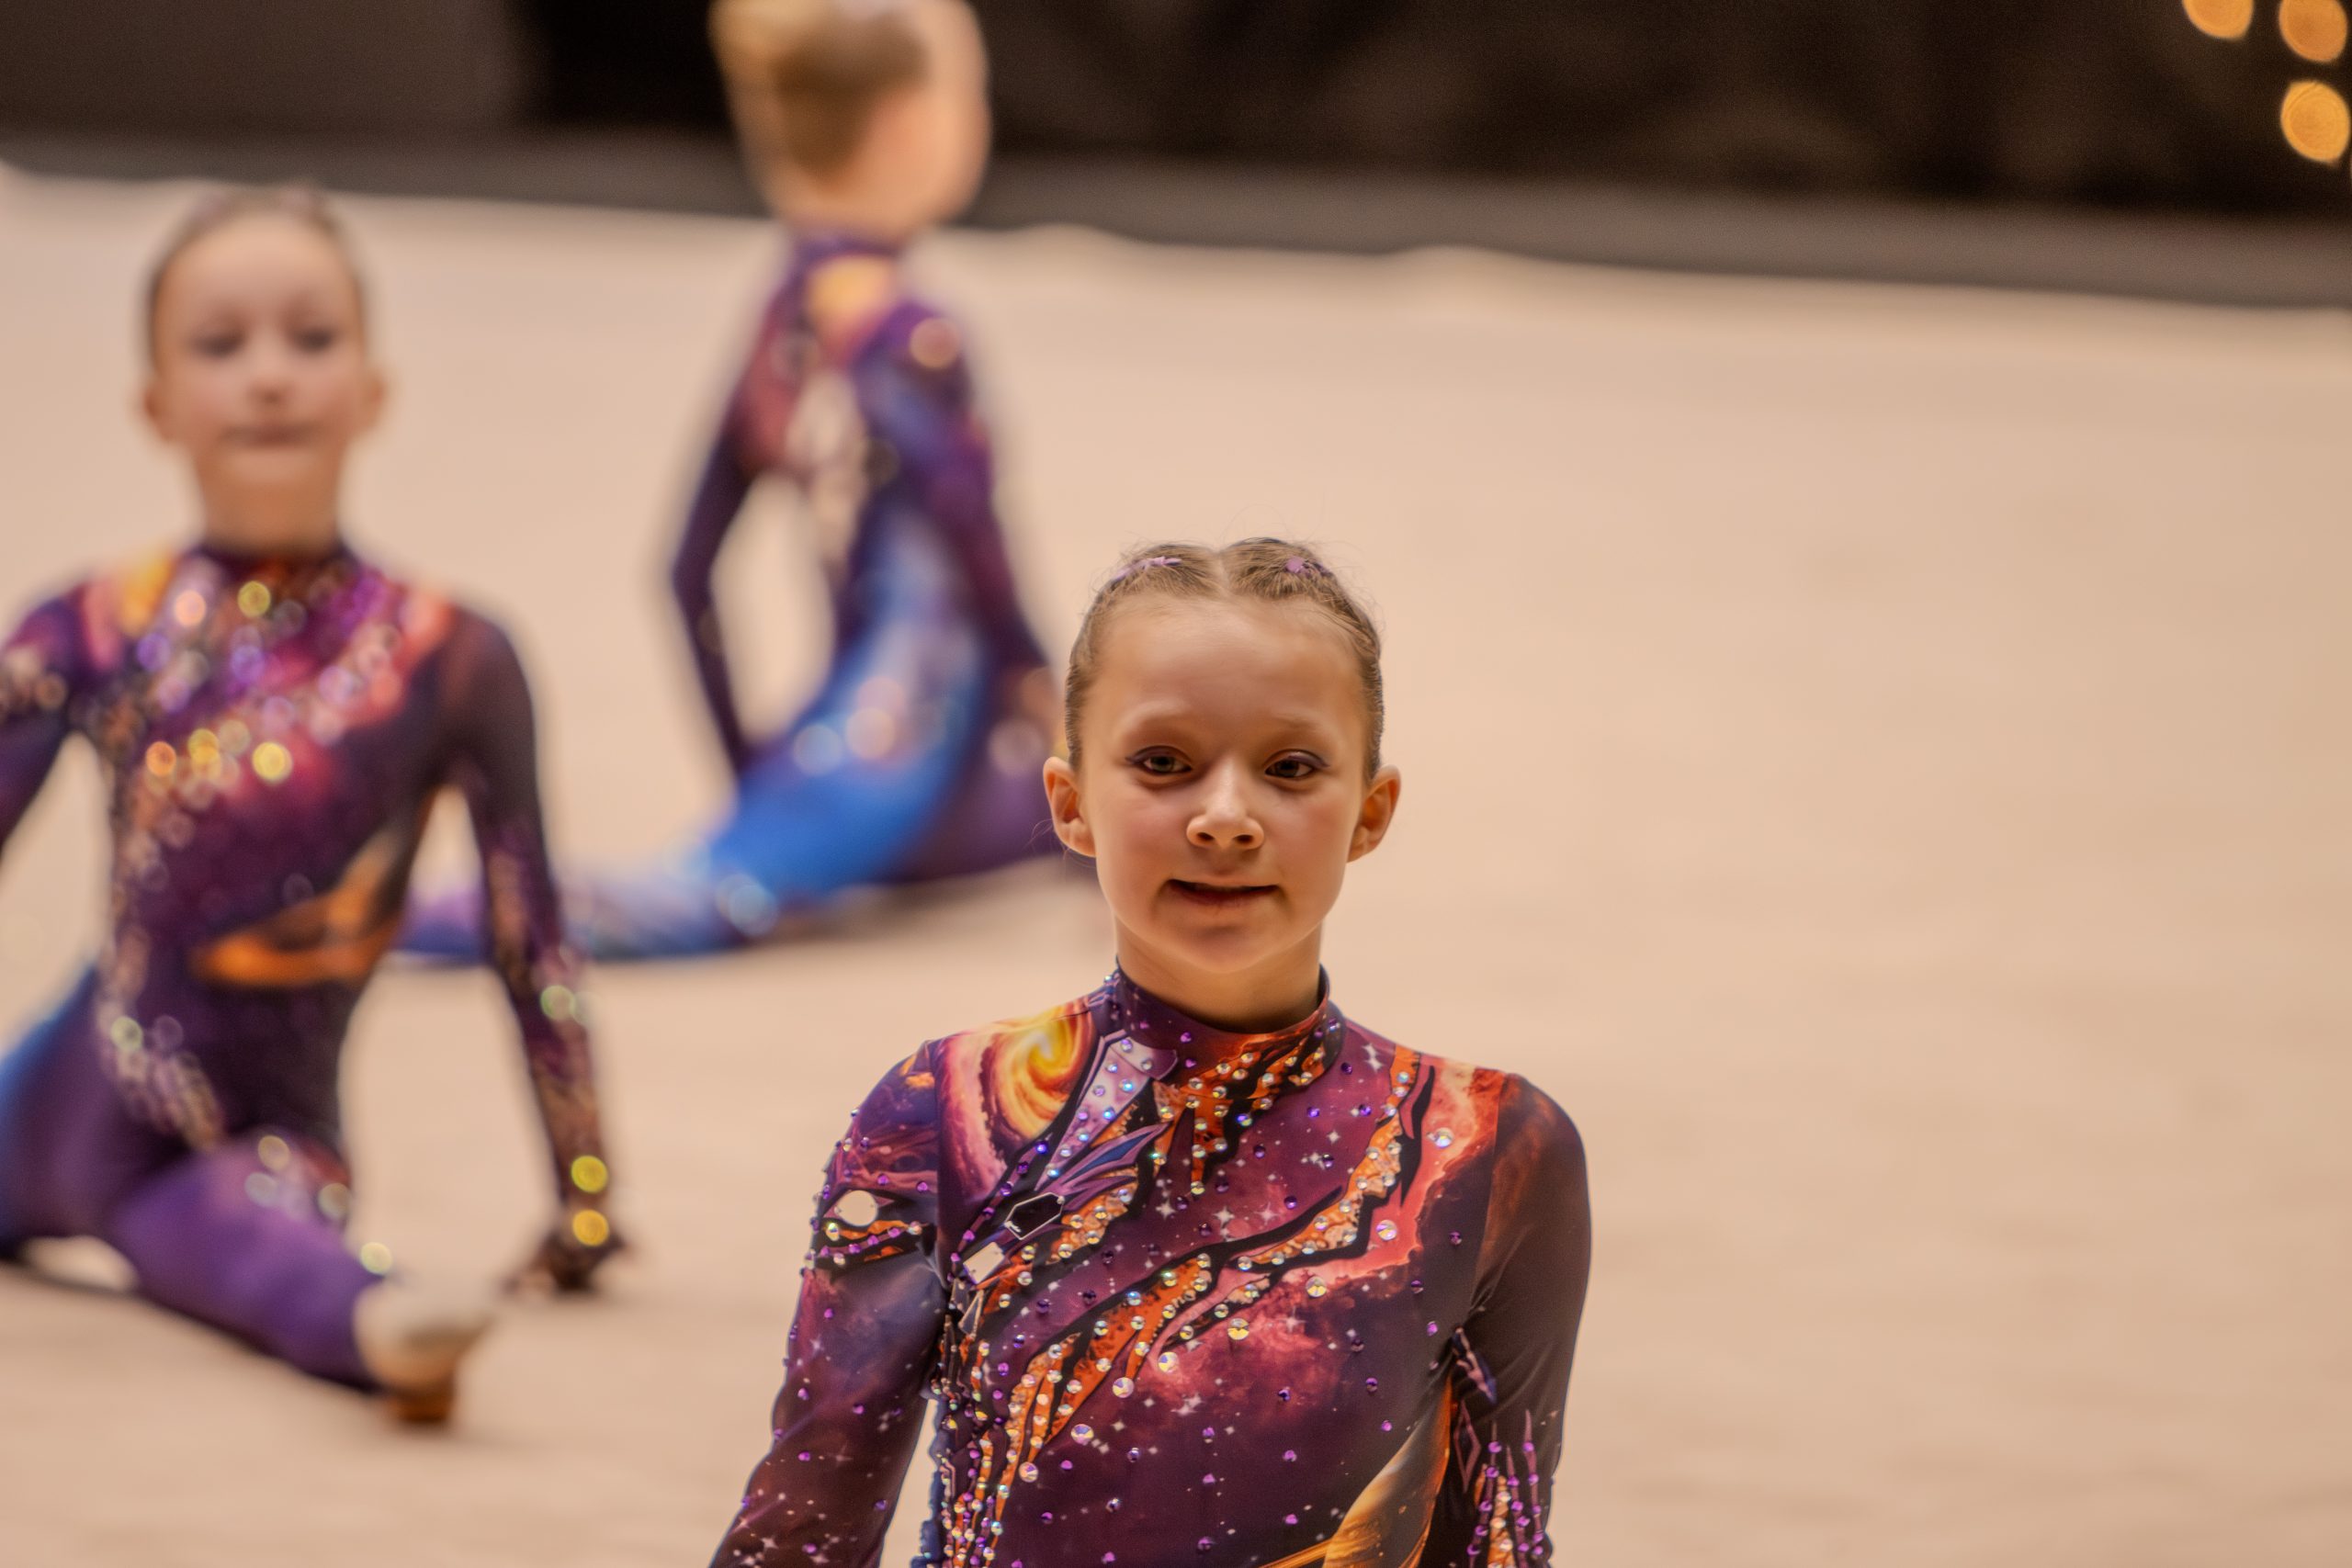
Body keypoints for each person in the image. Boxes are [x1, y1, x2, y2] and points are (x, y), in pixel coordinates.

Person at [709, 539, 1592, 1566]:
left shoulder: (1484, 1149)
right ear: (1070, 801)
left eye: (1291, 768)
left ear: (1370, 811)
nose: (1225, 818)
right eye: (1164, 764)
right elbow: (806, 1526)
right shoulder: (946, 1111)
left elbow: (1497, 1541)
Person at [0, 188, 622, 1420]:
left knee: (266, 1242)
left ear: (374, 391)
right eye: (221, 344)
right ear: (155, 404)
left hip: (258, 1135)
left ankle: (372, 1321)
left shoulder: (449, 655)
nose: (271, 375)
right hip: (55, 1092)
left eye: (313, 337)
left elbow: (530, 941)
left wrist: (582, 1196)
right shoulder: (92, 626)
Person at [401, 0, 1057, 963]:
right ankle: (382, 911)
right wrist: (1062, 721)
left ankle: (377, 904)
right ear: (908, 125)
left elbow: (686, 574)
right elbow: (983, 576)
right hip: (895, 755)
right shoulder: (912, 338)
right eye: (973, 96)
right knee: (703, 899)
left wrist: (751, 771)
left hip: (855, 750)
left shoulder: (786, 317)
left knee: (1066, 819)